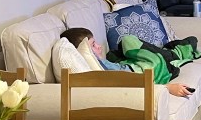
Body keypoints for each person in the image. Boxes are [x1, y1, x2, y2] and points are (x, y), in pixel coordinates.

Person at [59, 28, 193, 98]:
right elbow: (128, 84)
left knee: (118, 50)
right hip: (143, 70)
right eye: (93, 45)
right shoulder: (97, 70)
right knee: (128, 40)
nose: (99, 46)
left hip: (132, 66)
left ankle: (169, 52)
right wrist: (167, 88)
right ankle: (172, 53)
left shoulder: (99, 63)